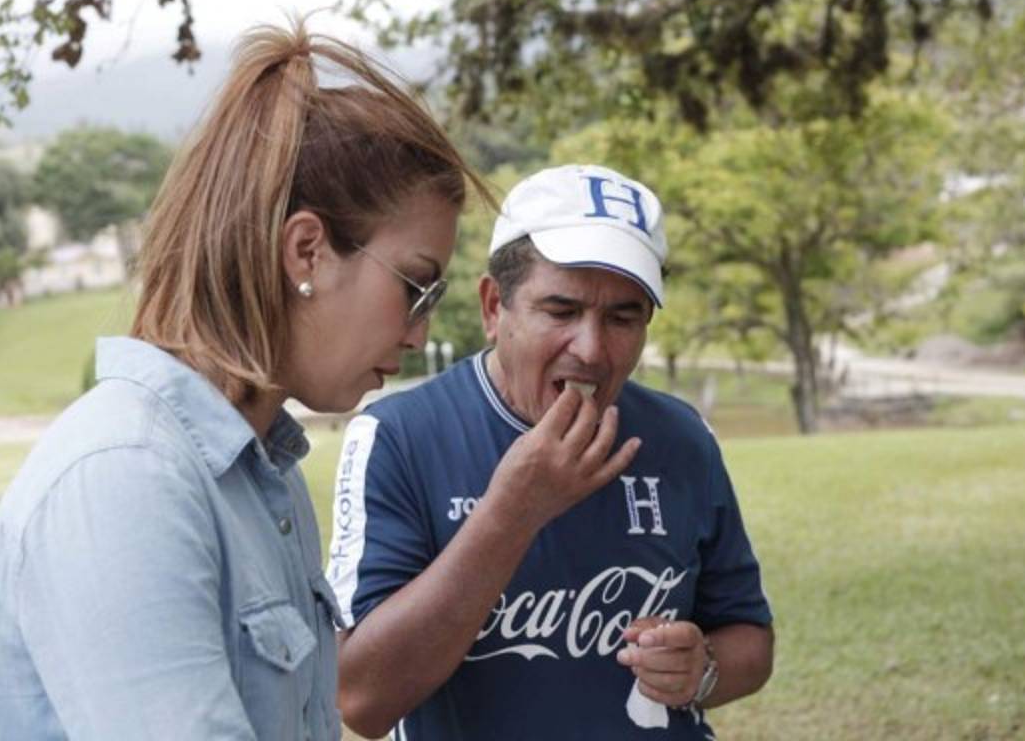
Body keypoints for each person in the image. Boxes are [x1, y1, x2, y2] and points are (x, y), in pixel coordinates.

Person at [0, 18, 487, 740]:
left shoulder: (261, 475)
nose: (421, 329)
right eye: (416, 287)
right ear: (307, 251)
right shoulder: (127, 477)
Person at [328, 164, 773, 740]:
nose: (590, 349)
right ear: (494, 307)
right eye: (560, 311)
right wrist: (515, 509)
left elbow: (751, 641)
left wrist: (702, 667)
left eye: (623, 316)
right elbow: (361, 700)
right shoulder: (400, 436)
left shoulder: (682, 438)